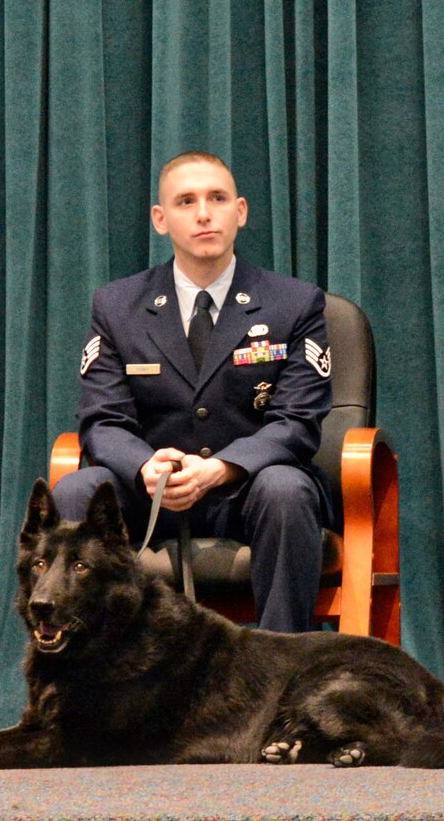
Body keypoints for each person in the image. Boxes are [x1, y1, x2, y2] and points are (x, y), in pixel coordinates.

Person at [56, 151, 332, 633]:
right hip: (151, 499)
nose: (204, 214)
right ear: (160, 220)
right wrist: (145, 467)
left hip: (245, 495)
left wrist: (221, 468)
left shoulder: (293, 303)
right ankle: (89, 667)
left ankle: (279, 665)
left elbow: (296, 421)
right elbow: (103, 419)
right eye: (186, 201)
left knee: (286, 489)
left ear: (240, 212)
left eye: (217, 199)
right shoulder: (118, 306)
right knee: (76, 488)